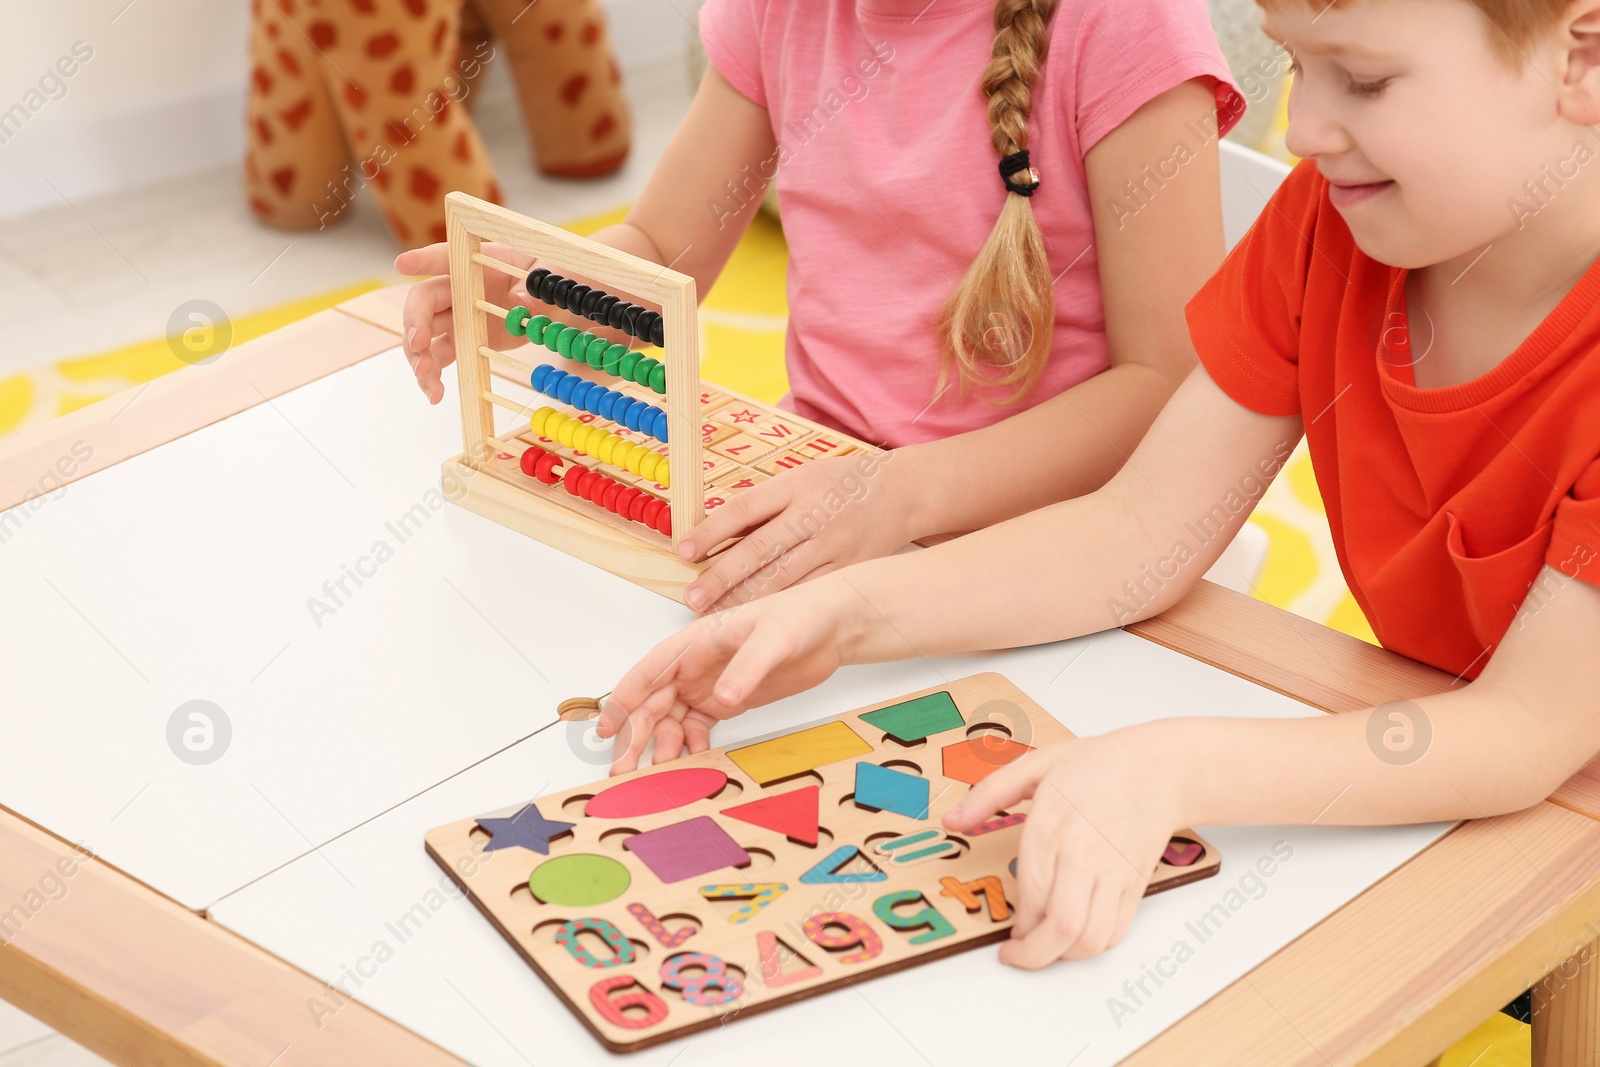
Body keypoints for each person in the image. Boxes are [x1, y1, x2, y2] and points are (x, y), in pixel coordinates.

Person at [601, 0, 1600, 968]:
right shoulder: (1331, 227)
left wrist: (1169, 764)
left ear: (1582, 57)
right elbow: (1136, 533)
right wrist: (840, 613)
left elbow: (1523, 729)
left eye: (1367, 80)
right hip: (1454, 792)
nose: (1301, 131)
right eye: (1298, 67)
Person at [398, 0, 1245, 610]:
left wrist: (898, 493)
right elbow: (663, 249)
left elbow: (1167, 383)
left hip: (1045, 548)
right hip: (816, 489)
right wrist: (538, 286)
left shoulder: (1128, 24)